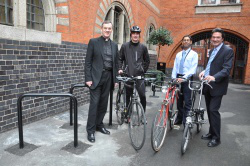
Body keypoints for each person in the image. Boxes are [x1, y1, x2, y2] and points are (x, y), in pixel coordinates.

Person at [84, 20, 119, 143]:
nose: (107, 30)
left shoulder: (114, 45)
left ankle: (99, 124)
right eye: (105, 28)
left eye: (109, 28)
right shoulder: (93, 42)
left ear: (111, 30)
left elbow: (116, 63)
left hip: (109, 77)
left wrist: (115, 79)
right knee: (94, 104)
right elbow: (88, 61)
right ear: (101, 29)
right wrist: (88, 78)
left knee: (104, 104)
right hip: (95, 78)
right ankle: (90, 130)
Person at [199, 28, 234, 147]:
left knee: (213, 110)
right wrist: (204, 71)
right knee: (209, 110)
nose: (215, 39)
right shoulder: (213, 50)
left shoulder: (227, 51)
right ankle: (211, 132)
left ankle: (216, 138)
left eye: (218, 37)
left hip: (218, 85)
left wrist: (214, 77)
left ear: (222, 38)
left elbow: (226, 69)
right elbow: (211, 65)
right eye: (213, 37)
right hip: (208, 85)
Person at [118, 25, 150, 120]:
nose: (135, 35)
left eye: (137, 34)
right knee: (128, 96)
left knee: (142, 95)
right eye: (133, 33)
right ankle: (128, 115)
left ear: (139, 35)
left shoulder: (143, 47)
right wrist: (120, 68)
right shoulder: (124, 46)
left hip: (139, 76)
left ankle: (143, 115)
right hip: (128, 75)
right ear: (131, 35)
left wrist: (143, 70)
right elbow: (119, 59)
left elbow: (147, 61)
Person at [171, 35, 198, 126]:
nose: (186, 41)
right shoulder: (178, 54)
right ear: (182, 42)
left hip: (187, 78)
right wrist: (173, 77)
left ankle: (186, 120)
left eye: (187, 40)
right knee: (179, 100)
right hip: (178, 77)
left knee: (187, 100)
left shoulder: (194, 54)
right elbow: (175, 67)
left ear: (190, 42)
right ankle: (179, 118)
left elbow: (193, 69)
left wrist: (183, 78)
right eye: (184, 40)